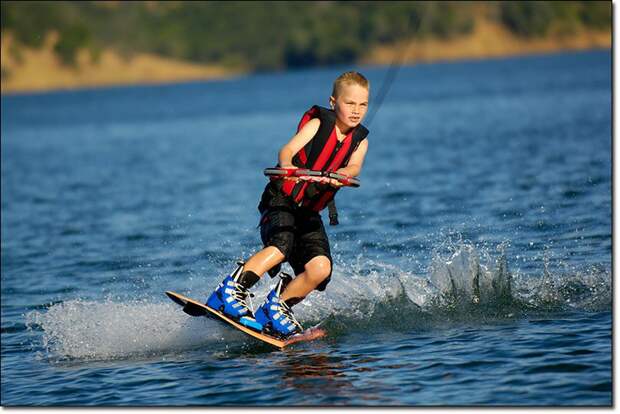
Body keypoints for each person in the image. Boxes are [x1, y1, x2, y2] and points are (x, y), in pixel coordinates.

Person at [206, 71, 370, 338]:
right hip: (282, 199)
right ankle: (230, 291)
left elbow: (354, 166)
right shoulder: (319, 125)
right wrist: (288, 166)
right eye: (350, 103)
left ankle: (276, 308)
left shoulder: (360, 140)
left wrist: (343, 176)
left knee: (320, 268)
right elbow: (287, 150)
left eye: (362, 104)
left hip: (309, 211)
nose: (356, 111)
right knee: (281, 247)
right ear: (333, 102)